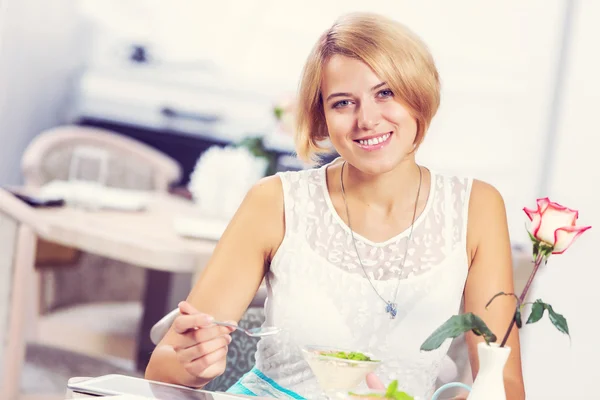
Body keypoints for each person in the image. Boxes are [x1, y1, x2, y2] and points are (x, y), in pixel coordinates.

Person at [145, 11, 526, 400]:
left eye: (386, 93)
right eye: (343, 103)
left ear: (419, 95)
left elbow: (505, 385)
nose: (368, 120)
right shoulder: (274, 202)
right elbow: (164, 369)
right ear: (322, 118)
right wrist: (192, 365)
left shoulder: (476, 209)